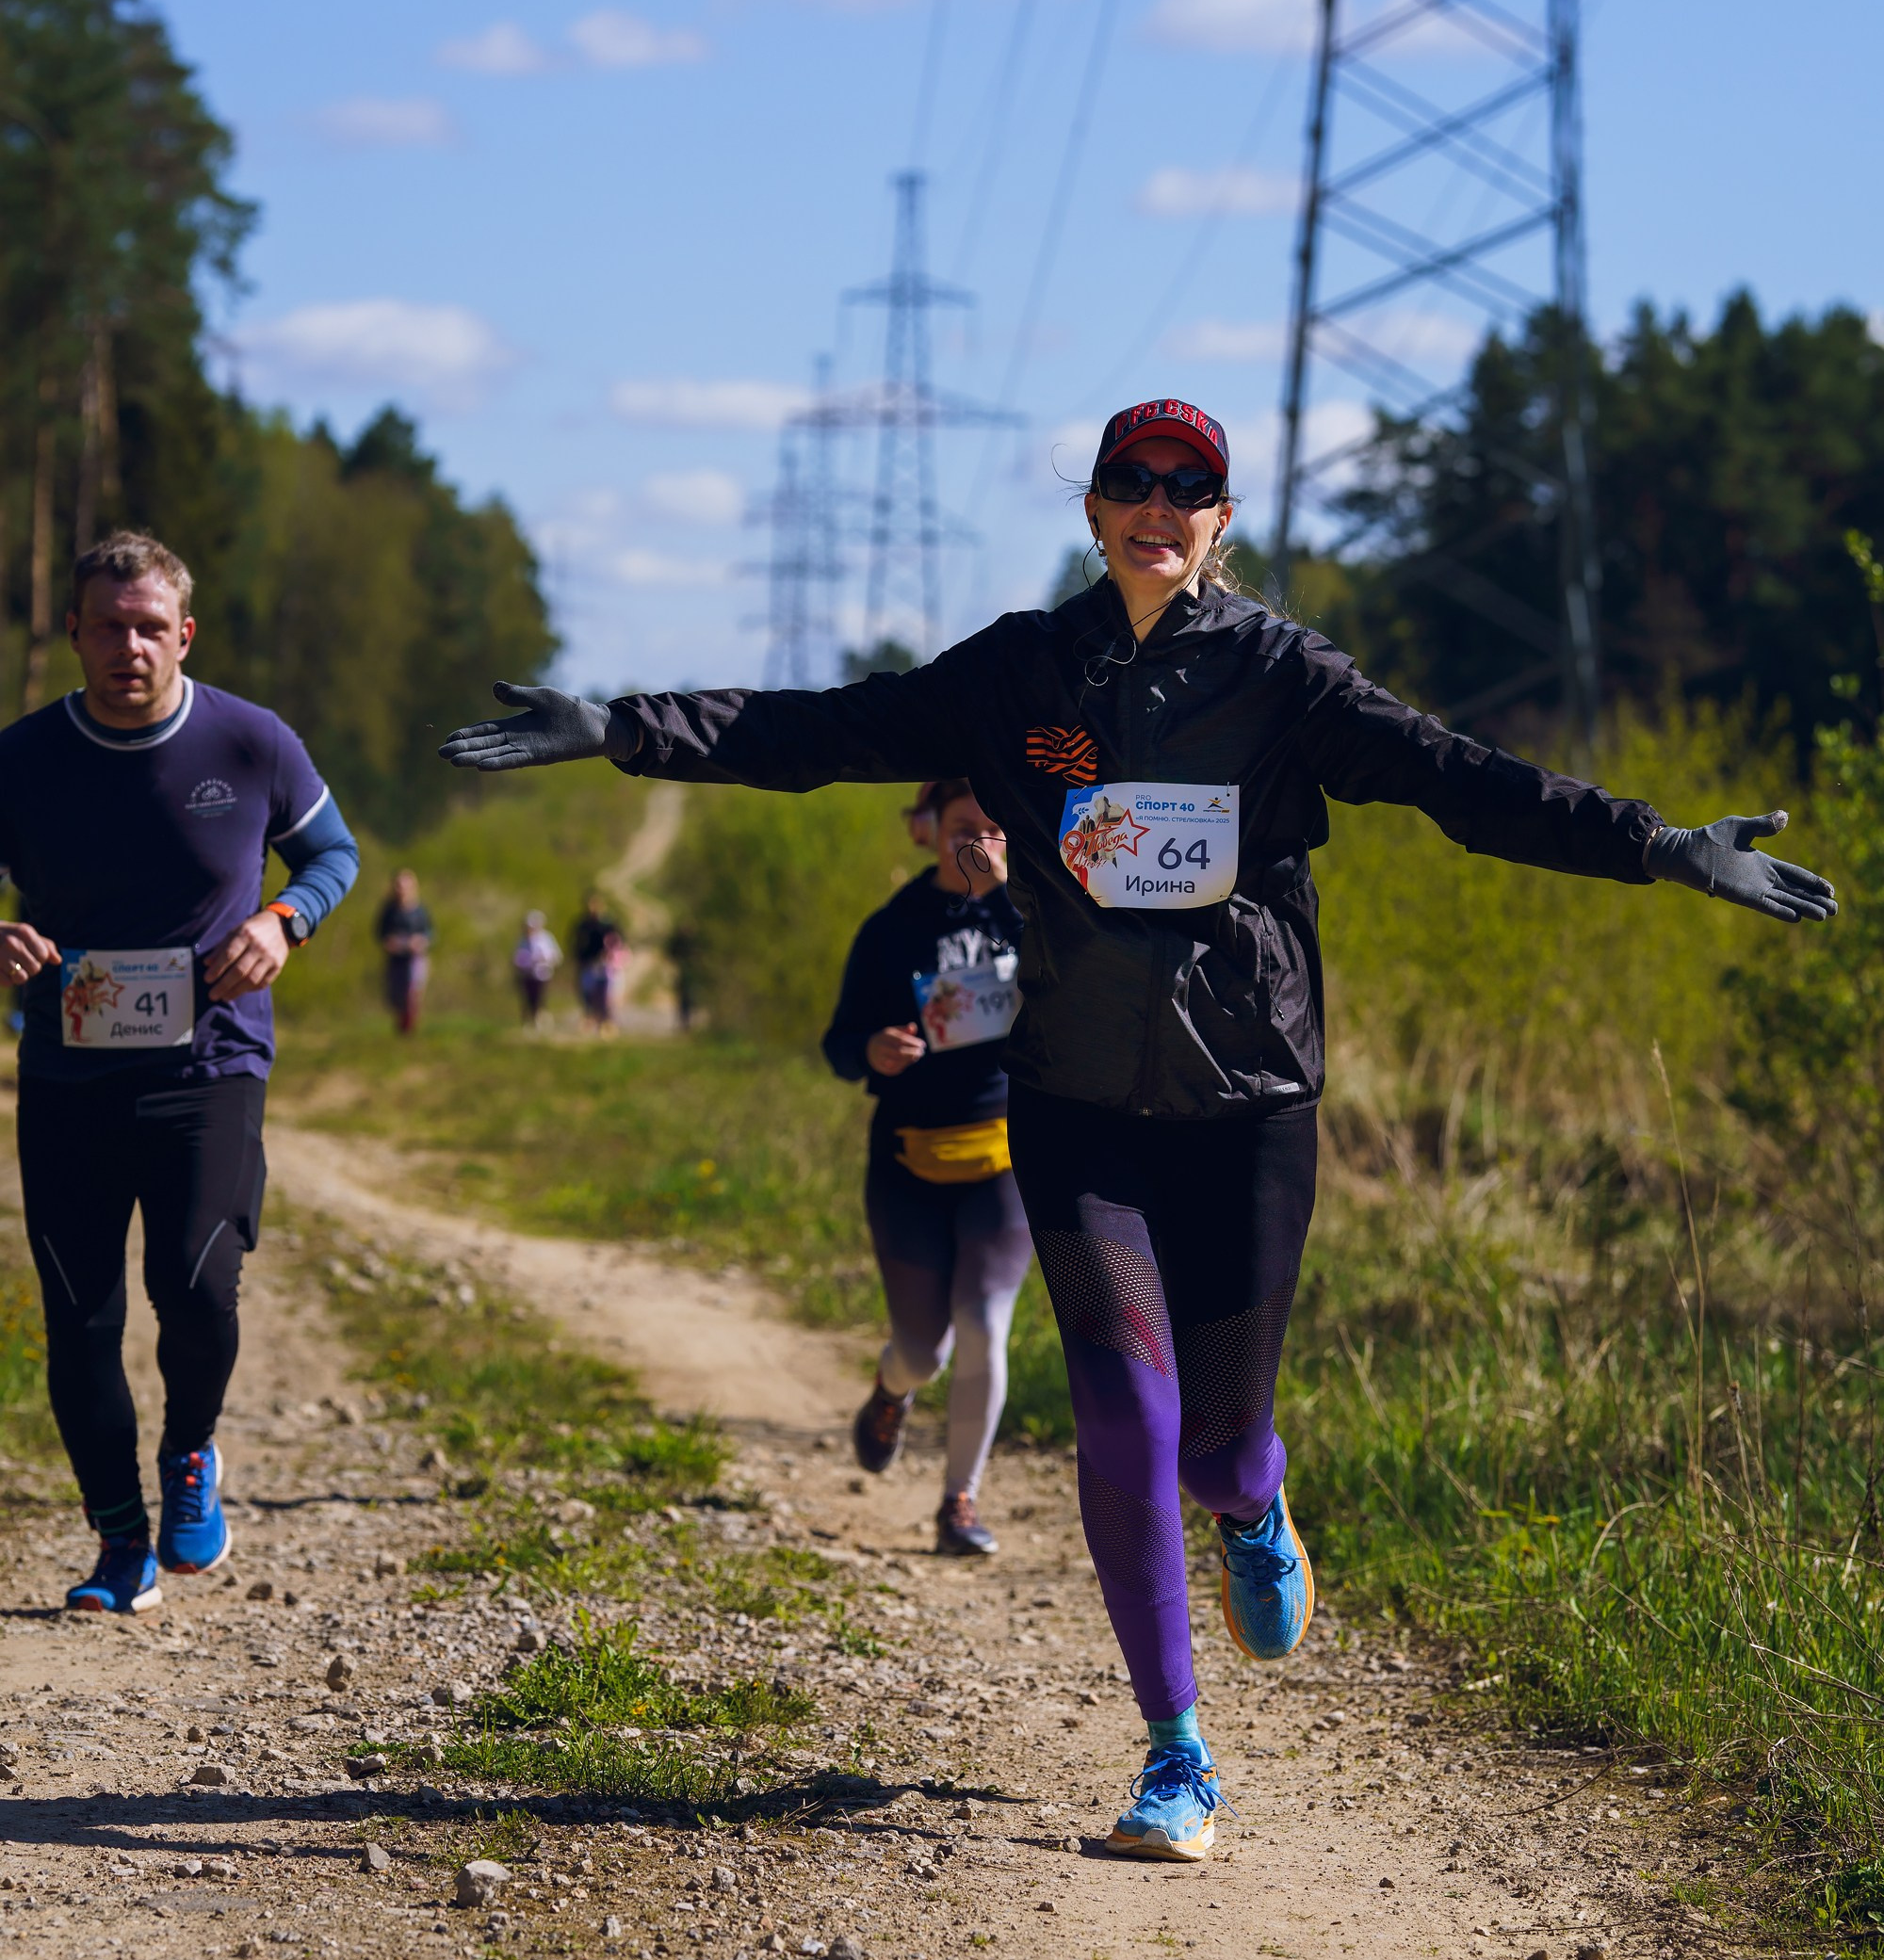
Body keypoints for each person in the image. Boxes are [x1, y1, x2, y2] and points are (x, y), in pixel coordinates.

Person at [441, 395, 1836, 1863]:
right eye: (1132, 479)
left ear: (1223, 523)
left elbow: (1463, 785)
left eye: (1191, 485)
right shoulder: (1018, 674)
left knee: (1222, 1451)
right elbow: (816, 729)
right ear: (1095, 508)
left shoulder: (1286, 680)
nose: (1158, 502)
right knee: (1123, 1415)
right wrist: (617, 729)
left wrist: (1659, 846)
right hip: (1075, 1104)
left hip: (1245, 1111)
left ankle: (1257, 1502)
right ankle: (1177, 1751)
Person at [0, 530, 359, 1615]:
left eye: (150, 626)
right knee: (81, 1316)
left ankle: (190, 1453)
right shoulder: (21, 757)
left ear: (184, 634)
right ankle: (120, 1547)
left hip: (211, 1062)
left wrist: (285, 919)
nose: (129, 646)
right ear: (73, 633)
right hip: (67, 1074)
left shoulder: (250, 743)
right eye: (107, 626)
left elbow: (334, 855)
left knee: (196, 1286)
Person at [822, 777, 1032, 1558]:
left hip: (1007, 1160)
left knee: (983, 1329)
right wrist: (872, 1049)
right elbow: (839, 1044)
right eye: (959, 828)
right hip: (909, 1161)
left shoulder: (1038, 915)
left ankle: (959, 1502)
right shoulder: (890, 929)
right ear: (926, 832)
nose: (976, 842)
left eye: (992, 828)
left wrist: (1012, 900)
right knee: (924, 1348)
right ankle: (891, 1388)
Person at [374, 868, 432, 1033]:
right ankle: (401, 1026)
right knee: (396, 997)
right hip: (395, 959)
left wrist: (420, 941)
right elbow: (380, 933)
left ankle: (409, 1030)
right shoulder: (389, 910)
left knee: (412, 993)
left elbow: (430, 932)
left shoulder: (420, 910)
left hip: (415, 958)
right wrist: (389, 942)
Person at [572, 891, 625, 1031]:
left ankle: (606, 1022)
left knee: (605, 994)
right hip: (588, 963)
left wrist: (611, 956)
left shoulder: (608, 923)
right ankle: (589, 1018)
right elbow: (576, 942)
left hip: (605, 964)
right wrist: (579, 958)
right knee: (587, 992)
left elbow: (618, 941)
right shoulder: (582, 924)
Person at [512, 910, 560, 1027]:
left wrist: (543, 959)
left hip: (542, 974)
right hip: (527, 974)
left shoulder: (546, 938)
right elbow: (517, 957)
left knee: (539, 999)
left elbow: (556, 956)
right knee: (528, 1000)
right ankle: (529, 1022)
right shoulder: (523, 940)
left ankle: (541, 1022)